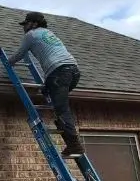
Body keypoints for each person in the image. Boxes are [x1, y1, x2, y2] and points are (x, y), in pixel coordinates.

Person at [7, 11, 85, 156]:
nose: (24, 27)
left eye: (27, 23)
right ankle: (68, 137)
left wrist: (7, 62)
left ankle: (74, 144)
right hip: (73, 71)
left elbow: (20, 54)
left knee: (61, 109)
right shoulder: (49, 33)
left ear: (34, 24)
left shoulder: (31, 35)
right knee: (54, 100)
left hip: (58, 72)